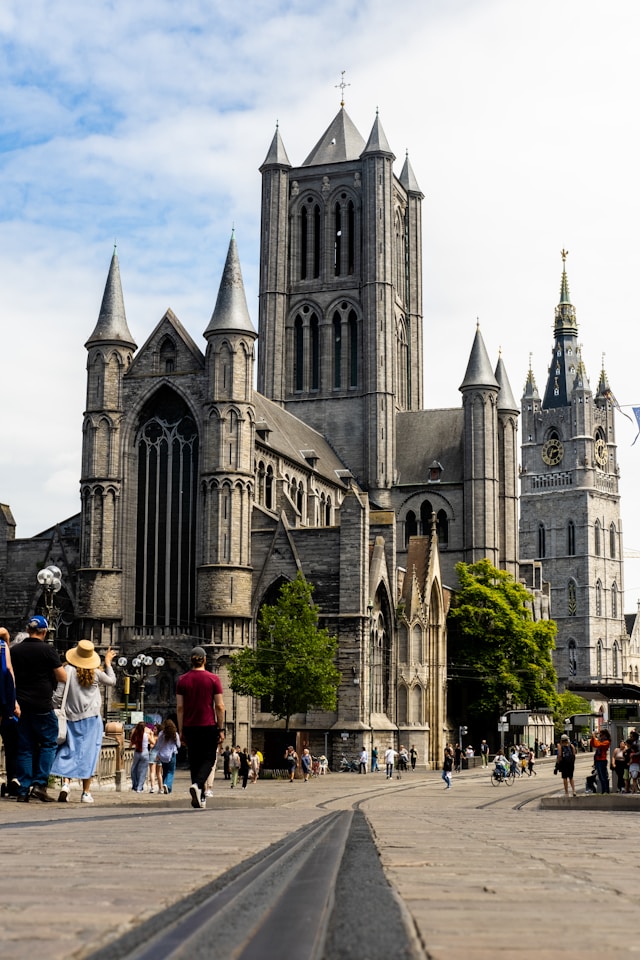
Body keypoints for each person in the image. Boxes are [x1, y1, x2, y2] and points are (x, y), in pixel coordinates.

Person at [51, 640, 116, 804]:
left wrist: (53, 707)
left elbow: (58, 696)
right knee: (89, 755)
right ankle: (86, 793)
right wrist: (108, 662)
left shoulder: (67, 670)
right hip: (92, 721)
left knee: (68, 751)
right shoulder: (96, 673)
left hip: (71, 719)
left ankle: (66, 784)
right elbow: (112, 680)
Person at [11, 615, 67, 802]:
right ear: (44, 632)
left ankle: (23, 789)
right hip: (42, 705)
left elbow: (9, 675)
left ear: (28, 630)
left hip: (20, 705)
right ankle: (39, 784)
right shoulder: (48, 650)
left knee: (25, 747)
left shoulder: (15, 650)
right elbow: (62, 677)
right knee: (48, 743)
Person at [176, 646, 225, 810]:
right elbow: (220, 706)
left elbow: (180, 708)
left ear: (191, 660)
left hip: (190, 726)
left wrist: (181, 730)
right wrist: (221, 728)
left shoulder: (182, 680)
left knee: (195, 760)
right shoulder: (213, 679)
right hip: (208, 725)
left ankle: (200, 797)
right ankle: (198, 786)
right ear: (205, 659)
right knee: (209, 759)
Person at [0, 626, 19, 797]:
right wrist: (14, 702)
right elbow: (9, 671)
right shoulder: (2, 646)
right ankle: (13, 777)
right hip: (4, 700)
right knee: (11, 741)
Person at [155, 719, 180, 793]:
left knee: (165, 771)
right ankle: (167, 784)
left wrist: (158, 754)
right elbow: (178, 745)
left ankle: (168, 789)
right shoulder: (175, 734)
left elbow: (158, 745)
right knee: (171, 771)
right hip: (171, 754)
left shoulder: (161, 734)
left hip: (163, 755)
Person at [130, 722, 152, 792]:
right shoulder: (147, 735)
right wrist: (151, 734)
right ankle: (139, 788)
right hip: (145, 752)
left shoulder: (135, 735)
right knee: (143, 771)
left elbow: (130, 744)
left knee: (134, 769)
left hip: (137, 752)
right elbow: (153, 742)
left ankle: (135, 785)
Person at [590, 728, 611, 794]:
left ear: (605, 735)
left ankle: (606, 790)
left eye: (601, 735)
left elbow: (597, 745)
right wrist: (593, 738)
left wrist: (594, 737)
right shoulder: (600, 741)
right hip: (598, 760)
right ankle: (603, 790)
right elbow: (593, 744)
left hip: (602, 760)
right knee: (601, 777)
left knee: (603, 776)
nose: (600, 736)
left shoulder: (606, 742)